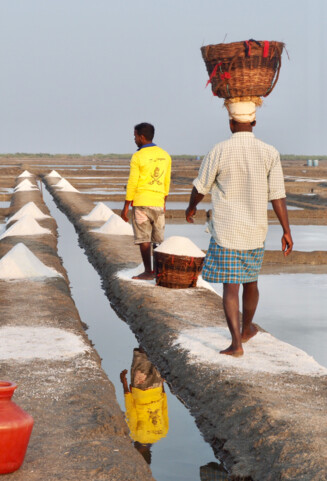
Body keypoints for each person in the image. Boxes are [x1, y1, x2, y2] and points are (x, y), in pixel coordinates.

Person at [185, 99, 293, 357]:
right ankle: (246, 329)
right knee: (251, 281)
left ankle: (236, 344)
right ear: (254, 123)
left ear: (231, 123)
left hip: (227, 230)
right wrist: (286, 230)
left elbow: (201, 186)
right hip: (255, 230)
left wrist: (191, 207)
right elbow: (278, 195)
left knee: (231, 286)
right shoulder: (270, 152)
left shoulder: (219, 150)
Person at [121, 123, 172, 280]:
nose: (134, 139)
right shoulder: (165, 155)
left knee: (144, 238)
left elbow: (133, 182)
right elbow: (166, 181)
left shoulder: (138, 156)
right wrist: (163, 201)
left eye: (135, 136)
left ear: (141, 137)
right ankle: (158, 271)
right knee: (158, 239)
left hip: (141, 202)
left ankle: (148, 271)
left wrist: (125, 207)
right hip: (158, 202)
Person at [120, 346, 169, 464]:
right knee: (141, 353)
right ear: (139, 453)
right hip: (140, 388)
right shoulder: (135, 435)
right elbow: (131, 411)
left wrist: (162, 385)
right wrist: (124, 383)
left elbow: (164, 407)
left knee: (151, 355)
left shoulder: (163, 432)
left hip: (156, 387)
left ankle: (153, 339)